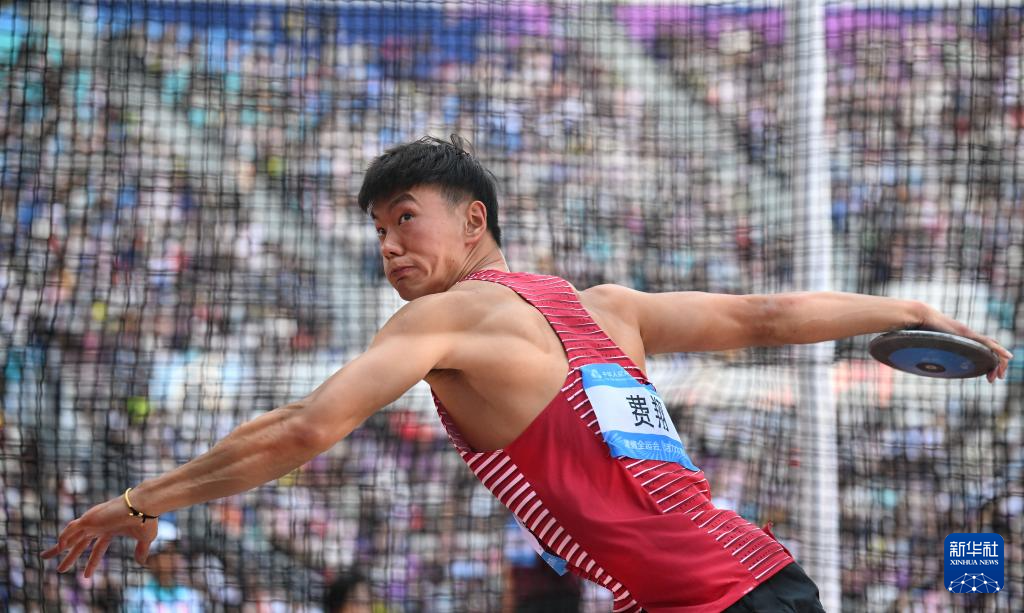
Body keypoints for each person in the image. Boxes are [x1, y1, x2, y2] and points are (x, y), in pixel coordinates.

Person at [43, 135, 1013, 612]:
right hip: (754, 578)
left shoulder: (443, 318)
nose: (388, 245)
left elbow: (303, 427)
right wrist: (906, 308)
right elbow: (764, 317)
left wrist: (142, 498)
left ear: (474, 221)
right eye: (377, 229)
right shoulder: (608, 306)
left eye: (405, 217)